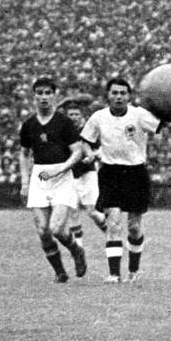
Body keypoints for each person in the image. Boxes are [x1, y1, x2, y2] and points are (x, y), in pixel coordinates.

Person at [80, 77, 171, 283]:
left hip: (136, 173)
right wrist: (89, 153)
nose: (118, 97)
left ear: (129, 96)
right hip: (110, 173)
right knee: (114, 222)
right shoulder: (98, 117)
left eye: (123, 93)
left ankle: (133, 271)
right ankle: (114, 275)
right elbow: (86, 141)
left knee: (134, 227)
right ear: (108, 95)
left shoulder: (139, 115)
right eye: (115, 93)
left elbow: (164, 125)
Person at [19, 77, 87, 283]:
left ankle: (76, 250)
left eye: (48, 93)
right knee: (42, 230)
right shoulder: (29, 124)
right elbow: (23, 154)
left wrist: (62, 168)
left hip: (62, 176)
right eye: (39, 93)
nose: (44, 97)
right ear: (34, 97)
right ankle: (60, 272)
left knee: (56, 228)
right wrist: (24, 182)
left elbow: (78, 152)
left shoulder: (64, 122)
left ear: (55, 95)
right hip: (39, 177)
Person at [59, 96, 108, 248]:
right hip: (71, 174)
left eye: (76, 114)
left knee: (93, 211)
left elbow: (102, 148)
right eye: (71, 115)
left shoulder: (89, 130)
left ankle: (111, 233)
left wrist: (94, 156)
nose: (73, 117)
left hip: (88, 172)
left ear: (82, 116)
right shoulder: (65, 132)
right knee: (73, 211)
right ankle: (79, 247)